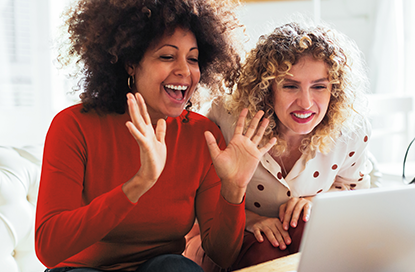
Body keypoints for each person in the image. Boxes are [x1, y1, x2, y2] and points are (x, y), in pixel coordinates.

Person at [35, 0, 276, 271]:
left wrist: (234, 189)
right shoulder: (74, 125)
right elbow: (48, 248)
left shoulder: (203, 136)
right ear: (130, 63)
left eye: (193, 59)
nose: (185, 71)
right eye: (167, 56)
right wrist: (139, 183)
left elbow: (223, 256)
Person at [199, 22, 373, 270]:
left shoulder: (350, 131)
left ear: (334, 90)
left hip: (309, 235)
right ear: (268, 90)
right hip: (246, 240)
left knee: (309, 226)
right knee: (263, 251)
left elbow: (356, 193)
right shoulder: (227, 121)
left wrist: (317, 201)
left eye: (319, 87)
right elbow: (202, 200)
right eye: (290, 86)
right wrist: (251, 218)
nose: (305, 102)